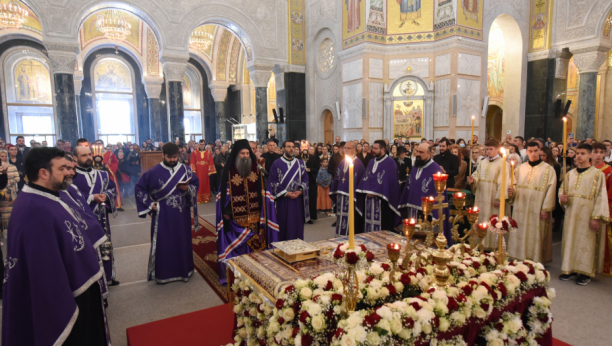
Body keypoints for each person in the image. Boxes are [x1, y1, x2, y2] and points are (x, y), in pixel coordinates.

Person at [2, 147, 109, 346]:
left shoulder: (47, 196)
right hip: (63, 295)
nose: (68, 173)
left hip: (77, 284)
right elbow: (44, 272)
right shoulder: (33, 209)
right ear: (44, 173)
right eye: (61, 168)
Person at [135, 143, 200, 283]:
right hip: (163, 215)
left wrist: (188, 189)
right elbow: (139, 188)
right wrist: (150, 204)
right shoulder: (153, 172)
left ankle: (184, 271)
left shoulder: (186, 170)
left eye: (175, 157)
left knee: (182, 241)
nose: (172, 160)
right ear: (163, 155)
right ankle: (164, 274)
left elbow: (195, 184)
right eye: (169, 157)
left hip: (182, 215)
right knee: (164, 243)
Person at [216, 139, 278, 285]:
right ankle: (238, 270)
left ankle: (256, 270)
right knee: (240, 244)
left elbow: (263, 191)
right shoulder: (229, 170)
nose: (245, 156)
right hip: (236, 216)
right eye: (242, 153)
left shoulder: (257, 169)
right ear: (237, 155)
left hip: (255, 214)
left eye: (246, 153)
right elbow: (223, 194)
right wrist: (226, 211)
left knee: (254, 242)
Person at [559, 143, 610, 286]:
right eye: (577, 153)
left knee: (585, 242)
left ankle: (585, 272)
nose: (579, 156)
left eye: (582, 153)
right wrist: (562, 199)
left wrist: (596, 217)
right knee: (571, 239)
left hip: (588, 213)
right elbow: (562, 192)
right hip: (571, 212)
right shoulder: (570, 174)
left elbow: (601, 196)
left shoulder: (597, 174)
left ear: (590, 155)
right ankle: (571, 269)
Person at [72, 146, 120, 286]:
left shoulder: (103, 174)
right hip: (83, 220)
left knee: (105, 245)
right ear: (75, 158)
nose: (88, 158)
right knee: (87, 248)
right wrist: (92, 197)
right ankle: (92, 280)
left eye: (89, 154)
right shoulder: (72, 177)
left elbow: (112, 189)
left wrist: (106, 195)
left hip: (102, 218)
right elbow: (69, 196)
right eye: (84, 156)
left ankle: (108, 276)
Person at [507, 142, 557, 264]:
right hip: (521, 206)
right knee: (519, 230)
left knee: (535, 232)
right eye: (530, 151)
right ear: (527, 151)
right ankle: (517, 256)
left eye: (535, 151)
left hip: (537, 206)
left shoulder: (548, 169)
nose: (533, 153)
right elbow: (513, 185)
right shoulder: (520, 168)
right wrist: (512, 191)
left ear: (539, 151)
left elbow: (551, 189)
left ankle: (534, 259)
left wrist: (546, 208)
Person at [398, 143, 451, 243]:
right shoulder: (415, 168)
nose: (418, 154)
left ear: (429, 153)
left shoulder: (436, 169)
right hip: (412, 212)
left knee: (425, 241)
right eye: (417, 151)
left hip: (428, 214)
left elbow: (438, 195)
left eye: (421, 152)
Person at [467, 139, 509, 250]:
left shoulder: (503, 163)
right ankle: (479, 242)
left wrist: (499, 198)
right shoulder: (483, 162)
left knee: (492, 220)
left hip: (492, 197)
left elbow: (503, 182)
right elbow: (477, 175)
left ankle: (491, 245)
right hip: (481, 195)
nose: (488, 151)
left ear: (497, 149)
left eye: (491, 149)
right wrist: (473, 180)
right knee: (480, 218)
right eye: (487, 149)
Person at [267, 140, 310, 240]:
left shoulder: (301, 163)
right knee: (283, 223)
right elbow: (272, 181)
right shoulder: (276, 164)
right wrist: (286, 193)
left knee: (297, 224)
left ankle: (298, 246)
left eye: (293, 147)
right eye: (289, 147)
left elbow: (305, 178)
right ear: (283, 149)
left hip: (297, 199)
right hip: (283, 199)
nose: (291, 149)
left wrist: (300, 190)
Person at [356, 140, 400, 232]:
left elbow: (390, 184)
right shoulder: (371, 161)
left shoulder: (390, 163)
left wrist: (376, 193)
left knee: (382, 227)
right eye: (373, 148)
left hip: (383, 202)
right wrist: (366, 190)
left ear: (383, 149)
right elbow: (366, 177)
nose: (373, 150)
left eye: (375, 148)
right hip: (369, 200)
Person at [330, 141, 366, 235]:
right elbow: (337, 178)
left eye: (348, 148)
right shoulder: (342, 162)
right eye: (345, 148)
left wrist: (355, 195)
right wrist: (337, 191)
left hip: (352, 199)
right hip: (341, 197)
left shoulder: (359, 164)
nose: (346, 150)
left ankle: (351, 239)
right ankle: (340, 237)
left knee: (352, 219)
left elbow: (361, 182)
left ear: (355, 150)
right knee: (341, 217)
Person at [590, 142, 612, 277]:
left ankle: (601, 265)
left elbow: (610, 194)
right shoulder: (585, 170)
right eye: (595, 151)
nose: (598, 155)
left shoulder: (609, 171)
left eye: (601, 152)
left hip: (602, 208)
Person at [94, 140, 123, 211]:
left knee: (112, 188)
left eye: (100, 144)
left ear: (103, 145)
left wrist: (109, 166)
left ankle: (115, 205)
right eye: (96, 144)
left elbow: (115, 162)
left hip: (109, 174)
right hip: (96, 174)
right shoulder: (93, 154)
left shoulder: (109, 153)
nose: (98, 145)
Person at [0, 151, 18, 231]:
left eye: (5, 156)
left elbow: (17, 178)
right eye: (1, 156)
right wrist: (4, 191)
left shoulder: (12, 167)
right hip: (2, 193)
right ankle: (2, 231)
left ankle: (12, 230)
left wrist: (11, 181)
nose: (3, 158)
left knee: (12, 212)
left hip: (11, 191)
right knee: (3, 214)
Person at [305, 146, 320, 223]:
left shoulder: (315, 158)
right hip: (303, 181)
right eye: (310, 149)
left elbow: (317, 168)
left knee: (312, 199)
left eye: (312, 150)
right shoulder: (302, 157)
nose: (311, 151)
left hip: (312, 180)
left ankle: (312, 216)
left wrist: (310, 169)